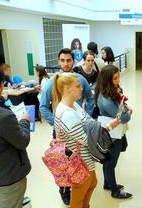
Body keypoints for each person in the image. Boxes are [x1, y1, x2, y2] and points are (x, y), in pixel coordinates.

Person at [39, 48, 94, 206]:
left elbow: (89, 98)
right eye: (62, 60)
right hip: (62, 130)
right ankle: (65, 191)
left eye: (68, 60)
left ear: (73, 61)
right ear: (58, 62)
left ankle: (78, 191)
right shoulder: (52, 82)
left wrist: (86, 117)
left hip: (77, 126)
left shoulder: (79, 80)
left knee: (78, 167)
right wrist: (56, 124)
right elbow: (43, 107)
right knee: (65, 164)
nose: (65, 63)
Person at [52, 73, 113, 208]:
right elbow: (87, 140)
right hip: (79, 162)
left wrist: (96, 129)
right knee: (78, 197)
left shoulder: (74, 105)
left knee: (92, 184)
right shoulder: (67, 113)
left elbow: (89, 121)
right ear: (67, 88)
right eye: (78, 86)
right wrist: (107, 128)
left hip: (85, 160)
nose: (82, 89)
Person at [0, 63, 31, 208]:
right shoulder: (3, 117)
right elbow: (22, 141)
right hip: (8, 176)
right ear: (2, 84)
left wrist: (0, 100)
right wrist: (24, 122)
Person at [95, 64, 133, 199]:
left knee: (108, 162)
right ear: (107, 80)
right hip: (113, 136)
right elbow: (123, 118)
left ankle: (108, 183)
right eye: (115, 79)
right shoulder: (106, 100)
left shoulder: (106, 93)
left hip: (112, 133)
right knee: (111, 163)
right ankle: (114, 190)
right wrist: (128, 112)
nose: (118, 81)